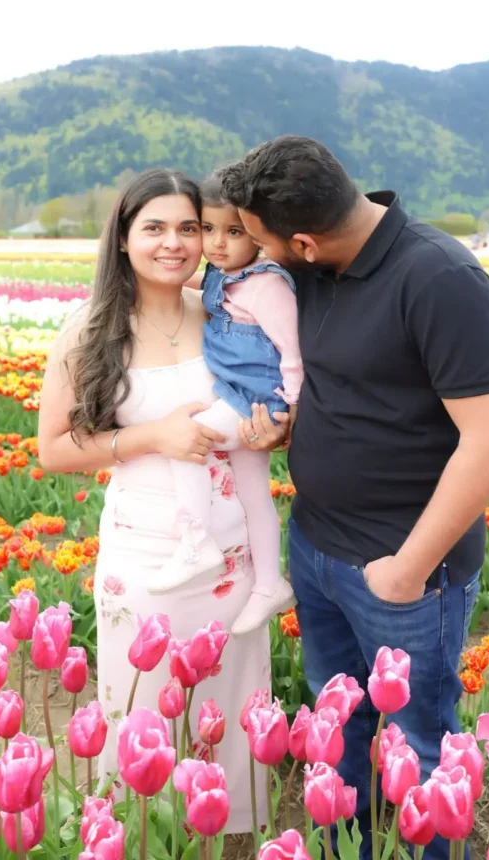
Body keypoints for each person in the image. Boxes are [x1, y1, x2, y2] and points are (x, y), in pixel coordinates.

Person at [219, 136, 489, 860]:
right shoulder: (315, 267)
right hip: (317, 546)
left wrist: (409, 568)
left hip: (402, 569)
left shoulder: (438, 277)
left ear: (303, 240)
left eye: (258, 242)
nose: (252, 255)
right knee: (334, 723)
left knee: (419, 742)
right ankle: (339, 847)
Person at [37, 169, 271, 833]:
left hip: (232, 551)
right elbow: (53, 448)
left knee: (225, 708)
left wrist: (270, 428)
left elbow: (263, 401)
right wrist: (152, 437)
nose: (175, 243)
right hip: (145, 552)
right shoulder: (90, 328)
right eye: (156, 228)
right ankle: (141, 836)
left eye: (189, 228)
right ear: (122, 238)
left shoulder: (223, 310)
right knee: (145, 707)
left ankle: (224, 836)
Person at [148, 171, 300, 636]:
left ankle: (195, 540)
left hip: (259, 402)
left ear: (257, 234)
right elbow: (203, 285)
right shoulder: (223, 275)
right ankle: (271, 584)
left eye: (233, 232)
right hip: (237, 395)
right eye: (208, 230)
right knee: (256, 496)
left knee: (188, 439)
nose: (217, 244)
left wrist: (292, 412)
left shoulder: (267, 286)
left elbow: (294, 353)